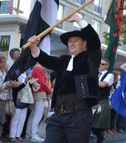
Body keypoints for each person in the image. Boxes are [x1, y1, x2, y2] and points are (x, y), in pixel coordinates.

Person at [27, 14, 101, 143]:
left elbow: (94, 42)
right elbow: (47, 60)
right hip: (58, 116)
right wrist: (34, 47)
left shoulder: (90, 58)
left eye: (75, 40)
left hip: (79, 116)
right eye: (69, 41)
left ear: (85, 43)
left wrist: (79, 20)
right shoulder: (64, 60)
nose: (71, 43)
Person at [26, 64, 51, 142]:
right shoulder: (39, 68)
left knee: (34, 114)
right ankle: (34, 134)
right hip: (40, 94)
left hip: (36, 93)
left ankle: (29, 134)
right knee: (38, 115)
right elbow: (42, 83)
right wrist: (49, 91)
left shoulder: (36, 68)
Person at [91, 59, 114, 143]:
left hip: (102, 102)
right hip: (92, 101)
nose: (100, 65)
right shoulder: (95, 73)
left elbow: (103, 84)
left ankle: (100, 139)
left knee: (98, 127)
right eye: (99, 63)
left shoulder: (110, 75)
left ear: (107, 66)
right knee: (88, 124)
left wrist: (90, 79)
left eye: (103, 64)